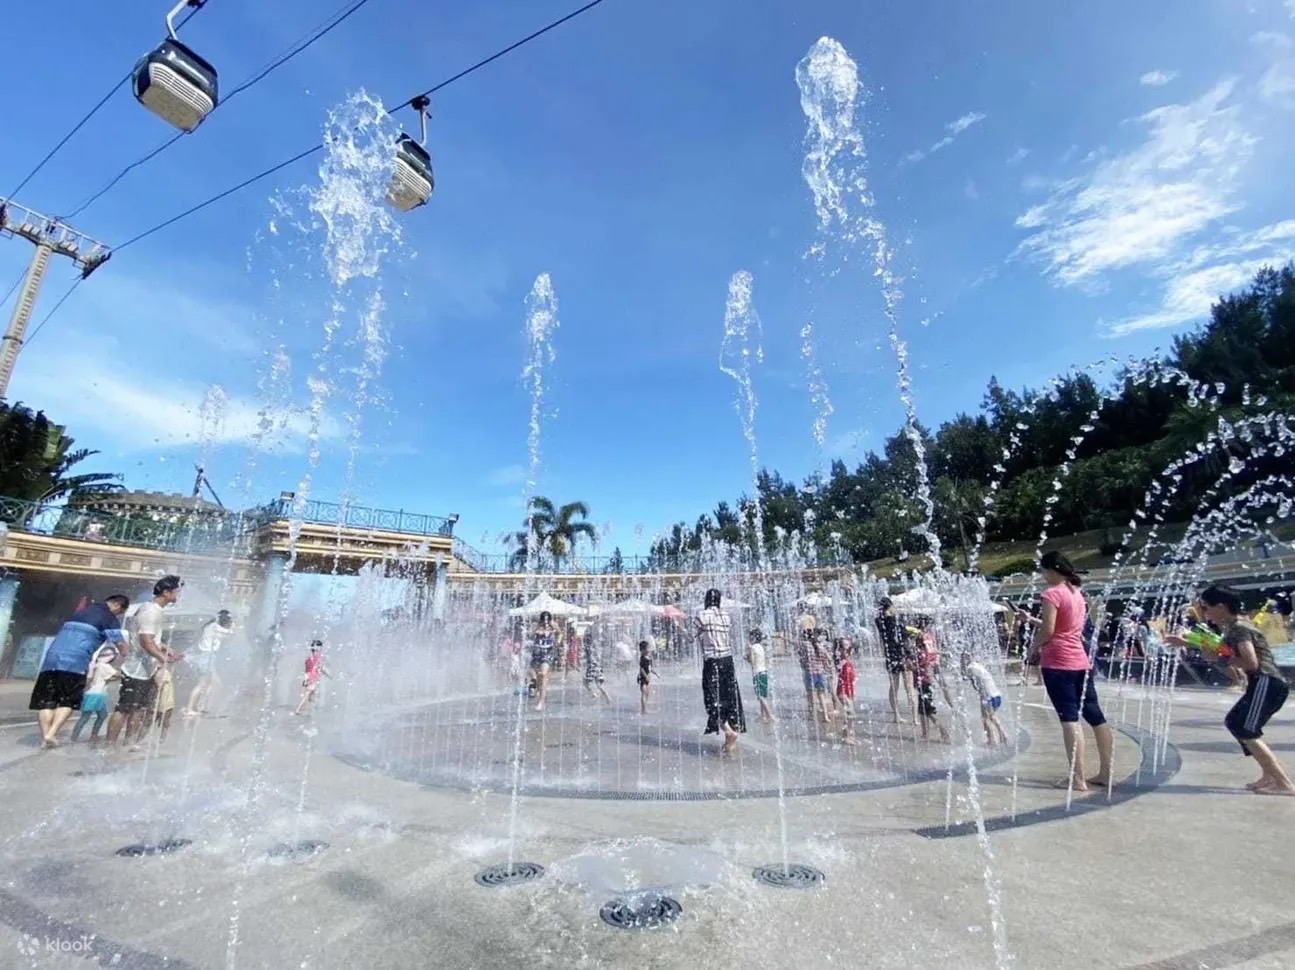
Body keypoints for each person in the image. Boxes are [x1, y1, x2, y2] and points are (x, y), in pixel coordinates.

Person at [1166, 586, 1295, 795]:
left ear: (1221, 607)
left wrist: (1218, 658)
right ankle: (1269, 775)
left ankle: (1284, 783)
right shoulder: (1234, 626)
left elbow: (1250, 663)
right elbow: (1223, 652)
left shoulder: (1239, 629)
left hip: (1266, 682)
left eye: (1205, 608)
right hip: (1263, 683)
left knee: (1244, 728)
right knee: (1235, 722)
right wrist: (1188, 643)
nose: (1204, 613)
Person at [1018, 551, 1113, 793]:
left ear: (1050, 570)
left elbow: (1050, 631)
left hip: (1058, 663)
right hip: (1081, 662)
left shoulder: (1051, 593)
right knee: (1096, 716)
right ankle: (1105, 773)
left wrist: (1032, 648)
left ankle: (1077, 778)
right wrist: (1031, 619)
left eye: (1043, 571)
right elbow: (1067, 628)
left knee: (1069, 719)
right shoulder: (1076, 593)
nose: (1042, 576)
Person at [30, 595, 130, 748]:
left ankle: (46, 737)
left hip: (51, 660)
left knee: (47, 702)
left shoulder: (80, 612)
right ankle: (52, 733)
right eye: (120, 612)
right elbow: (121, 646)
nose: (118, 615)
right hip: (75, 662)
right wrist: (128, 653)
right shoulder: (109, 617)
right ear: (118, 606)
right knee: (67, 701)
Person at [109, 576, 183, 748]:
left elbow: (150, 638)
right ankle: (109, 745)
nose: (179, 594)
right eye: (177, 591)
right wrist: (163, 658)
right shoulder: (151, 611)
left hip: (146, 668)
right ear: (166, 592)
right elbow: (145, 641)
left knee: (140, 708)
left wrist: (164, 648)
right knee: (125, 707)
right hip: (136, 668)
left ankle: (129, 742)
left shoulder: (152, 609)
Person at [693, 588, 746, 756]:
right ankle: (729, 744)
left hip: (712, 661)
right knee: (731, 697)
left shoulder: (701, 616)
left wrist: (680, 627)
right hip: (728, 661)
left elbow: (692, 636)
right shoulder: (726, 616)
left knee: (712, 699)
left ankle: (728, 730)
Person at [183, 609, 234, 718]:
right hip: (206, 657)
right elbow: (230, 633)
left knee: (215, 683)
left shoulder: (212, 626)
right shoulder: (214, 627)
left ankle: (202, 707)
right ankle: (189, 708)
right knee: (202, 684)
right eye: (228, 620)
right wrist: (233, 625)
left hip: (208, 657)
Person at [71, 644, 122, 743]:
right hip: (96, 694)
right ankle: (76, 737)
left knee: (101, 715)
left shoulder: (95, 664)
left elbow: (102, 678)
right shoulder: (105, 666)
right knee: (86, 717)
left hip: (93, 693)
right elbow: (118, 674)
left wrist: (110, 679)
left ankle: (90, 735)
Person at [876, 597, 915, 725]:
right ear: (890, 606)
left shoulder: (879, 621)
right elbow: (902, 637)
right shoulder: (894, 621)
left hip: (890, 656)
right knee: (908, 686)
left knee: (894, 686)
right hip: (901, 654)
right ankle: (915, 716)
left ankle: (896, 715)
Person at [961, 652, 1008, 746]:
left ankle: (992, 740)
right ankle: (1003, 734)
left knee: (985, 718)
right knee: (992, 716)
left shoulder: (970, 668)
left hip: (988, 697)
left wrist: (962, 666)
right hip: (996, 695)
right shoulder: (978, 665)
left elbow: (964, 677)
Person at [529, 612, 557, 711]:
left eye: (547, 619)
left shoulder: (553, 625)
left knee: (543, 674)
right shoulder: (537, 626)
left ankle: (541, 702)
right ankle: (537, 688)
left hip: (547, 653)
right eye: (543, 619)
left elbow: (560, 633)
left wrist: (557, 642)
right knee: (537, 676)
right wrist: (536, 630)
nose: (545, 621)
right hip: (537, 653)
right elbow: (530, 636)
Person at [746, 628, 774, 723]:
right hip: (764, 672)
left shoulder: (753, 648)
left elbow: (753, 662)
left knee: (760, 696)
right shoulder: (761, 647)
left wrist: (748, 656)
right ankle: (763, 716)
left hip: (757, 673)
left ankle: (770, 716)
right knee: (763, 695)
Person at [294, 641, 330, 715]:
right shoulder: (312, 659)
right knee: (308, 694)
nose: (320, 650)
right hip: (311, 678)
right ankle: (298, 709)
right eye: (319, 648)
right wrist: (306, 679)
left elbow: (319, 668)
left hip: (313, 678)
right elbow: (308, 670)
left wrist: (327, 675)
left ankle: (311, 706)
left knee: (311, 693)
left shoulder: (315, 658)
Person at [835, 638, 858, 745]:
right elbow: (837, 675)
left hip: (849, 691)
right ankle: (847, 736)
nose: (847, 651)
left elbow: (852, 679)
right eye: (844, 648)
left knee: (848, 713)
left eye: (848, 648)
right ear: (839, 650)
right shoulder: (841, 662)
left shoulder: (849, 661)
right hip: (842, 691)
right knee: (850, 713)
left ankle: (847, 735)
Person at [583, 632, 611, 704]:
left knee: (585, 682)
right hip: (598, 667)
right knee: (599, 685)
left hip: (592, 667)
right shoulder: (595, 647)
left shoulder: (587, 648)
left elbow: (587, 658)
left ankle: (593, 694)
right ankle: (607, 697)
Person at [637, 640, 657, 715]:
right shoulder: (643, 658)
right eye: (648, 648)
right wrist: (645, 676)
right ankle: (643, 710)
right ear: (643, 650)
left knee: (647, 693)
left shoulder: (648, 658)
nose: (649, 649)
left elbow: (649, 668)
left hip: (647, 677)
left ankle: (645, 708)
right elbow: (641, 669)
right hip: (643, 678)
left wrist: (655, 673)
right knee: (643, 693)